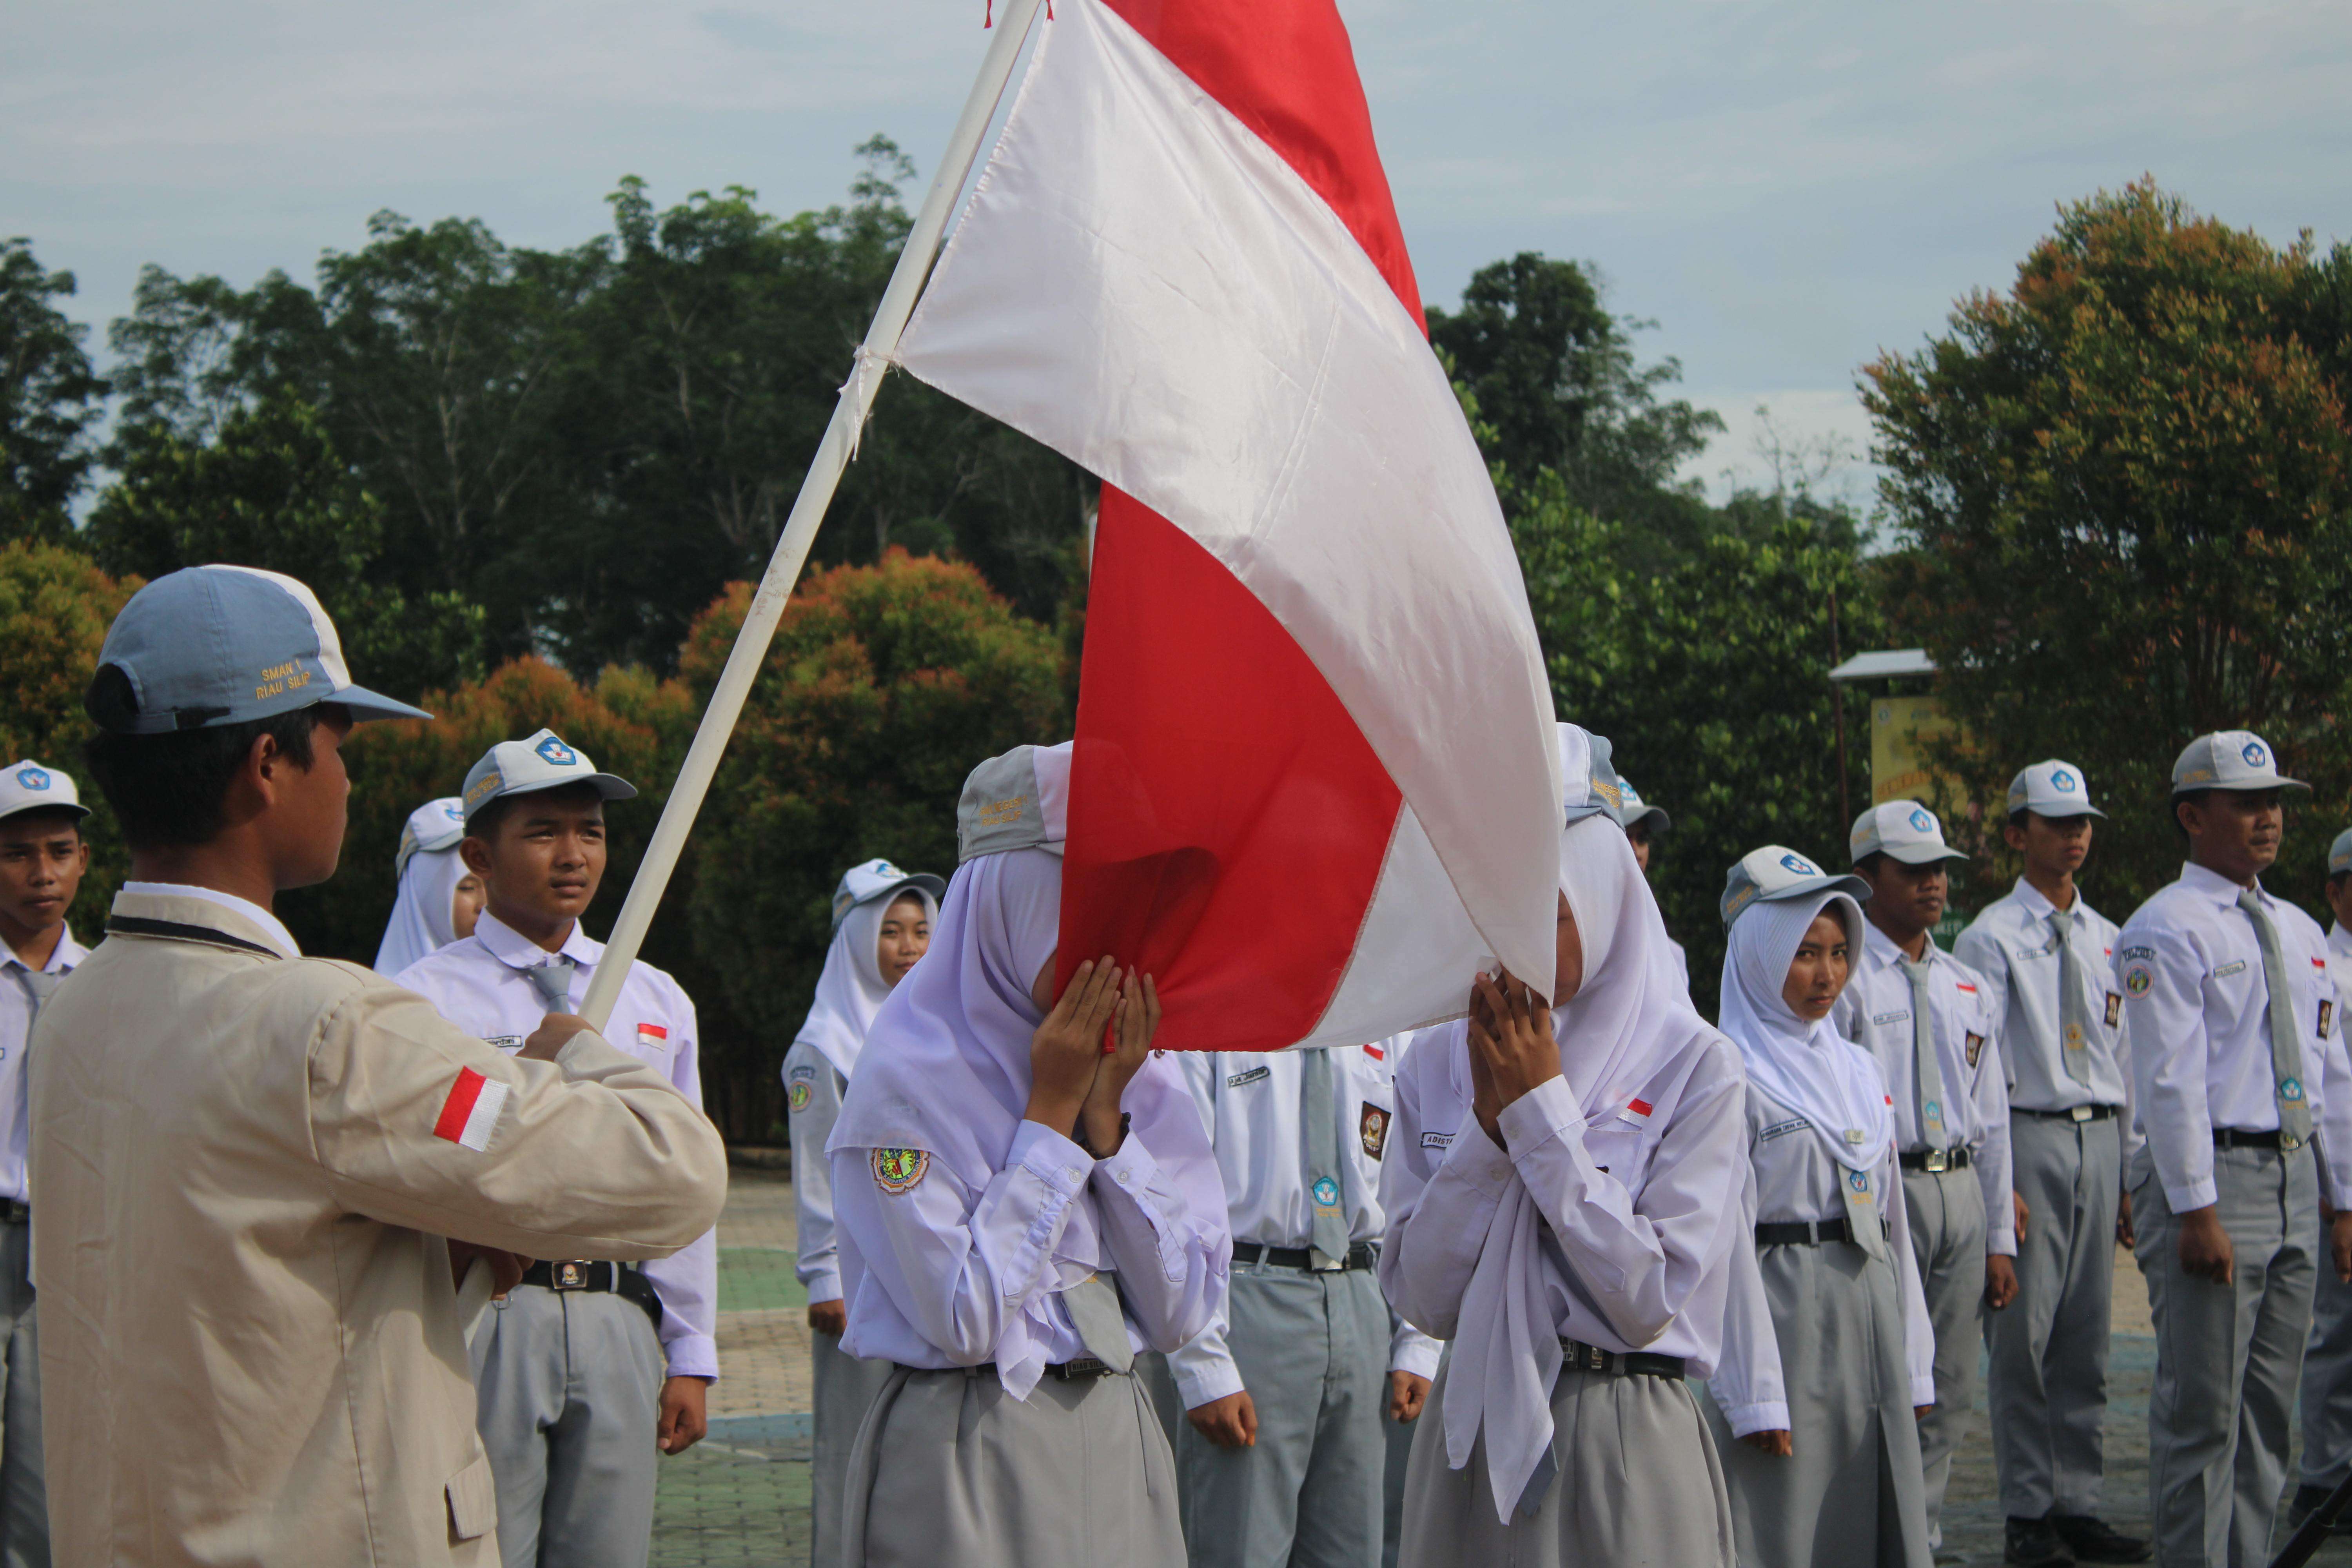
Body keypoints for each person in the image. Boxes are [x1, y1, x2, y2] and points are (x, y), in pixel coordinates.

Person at [29, 564, 726, 1566]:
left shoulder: (79, 1010)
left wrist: (438, 1261)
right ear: (267, 762)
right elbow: (677, 1174)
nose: (349, 781)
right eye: (338, 746)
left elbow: (242, 1295)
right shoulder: (326, 1026)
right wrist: (579, 1056)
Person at [826, 742, 1229, 1568]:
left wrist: (1107, 1124)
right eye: (1085, 906)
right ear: (1005, 900)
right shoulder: (906, 1083)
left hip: (1119, 1428)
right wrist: (1048, 1117)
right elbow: (967, 1319)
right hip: (972, 1444)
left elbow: (1183, 1312)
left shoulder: (1140, 1071)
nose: (1115, 942)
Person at [1380, 724, 1748, 1567]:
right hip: (1470, 1428)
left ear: (1606, 892)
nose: (1520, 945)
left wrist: (1541, 1116)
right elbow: (1424, 1295)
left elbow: (1649, 1294)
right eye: (1496, 911)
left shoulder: (1696, 1063)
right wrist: (1486, 1127)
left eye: (1547, 913)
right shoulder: (1440, 1054)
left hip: (1622, 1426)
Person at [396, 728, 720, 1568]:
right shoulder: (421, 998)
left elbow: (685, 1187)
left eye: (591, 831)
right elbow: (417, 1167)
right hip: (488, 1310)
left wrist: (691, 1351)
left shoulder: (653, 996)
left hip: (618, 1316)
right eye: (543, 832)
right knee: (480, 1543)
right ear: (479, 852)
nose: (573, 854)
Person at [2114, 731, 2352, 1566]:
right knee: (2202, 1414)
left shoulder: (2295, 928)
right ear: (2192, 815)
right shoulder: (2164, 927)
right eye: (2246, 803)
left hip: (2289, 1172)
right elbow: (2171, 1078)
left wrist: (2339, 1195)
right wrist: (2195, 1208)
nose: (2268, 819)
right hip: (2216, 1179)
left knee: (2266, 1415)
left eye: (2275, 801)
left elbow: (2324, 1073)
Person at [1702, 845, 1937, 1568]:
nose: (1828, 975)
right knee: (1788, 1518)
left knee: (1876, 1510)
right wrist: (1755, 1393)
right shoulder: (1725, 1072)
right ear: (1760, 958)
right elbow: (1726, 1246)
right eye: (1805, 954)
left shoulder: (1859, 1068)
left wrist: (1916, 1358)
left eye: (1839, 952)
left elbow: (1893, 1222)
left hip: (1866, 1303)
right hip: (1784, 1315)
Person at [1952, 762, 2150, 1565]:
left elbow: (2127, 1055)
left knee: (2086, 1335)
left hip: (2099, 1132)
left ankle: (2080, 1499)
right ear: (2015, 832)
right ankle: (2027, 1508)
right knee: (2024, 1336)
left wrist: (2134, 1165)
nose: (2074, 834)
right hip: (2028, 1129)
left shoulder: (2109, 937)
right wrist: (1999, 1185)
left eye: (2083, 820)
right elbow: (1983, 1063)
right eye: (2055, 819)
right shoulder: (1989, 938)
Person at [1167, 1031, 1439, 1568]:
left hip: (1364, 1294)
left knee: (1352, 1550)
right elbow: (1175, 1194)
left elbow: (1422, 1178)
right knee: (1239, 1548)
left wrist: (1419, 1337)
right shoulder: (1218, 1001)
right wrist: (1202, 1362)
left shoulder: (1382, 1007)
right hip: (1248, 1299)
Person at [1836, 799, 2014, 1552]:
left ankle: (1926, 1532)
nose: (1933, 885)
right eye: (1913, 872)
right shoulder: (1846, 982)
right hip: (1889, 1188)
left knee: (1949, 1381)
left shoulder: (1966, 985)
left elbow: (1994, 1112)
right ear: (1868, 878)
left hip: (1960, 1183)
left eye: (1940, 870)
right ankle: (1879, 1531)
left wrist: (2000, 1231)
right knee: (1891, 1376)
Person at [783, 857, 944, 1567]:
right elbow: (816, 1171)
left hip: (929, 1283)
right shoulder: (824, 1048)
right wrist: (826, 1279)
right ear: (853, 940)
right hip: (859, 1287)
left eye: (921, 930)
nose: (910, 947)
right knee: (851, 1456)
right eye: (890, 932)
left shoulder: (941, 1031)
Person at [0, 760, 90, 1568]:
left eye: (59, 850)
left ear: (84, 860)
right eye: (18, 852)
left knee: (46, 1478)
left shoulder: (108, 986)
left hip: (65, 1248)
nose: (42, 873)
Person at [2294, 824, 2352, 1534]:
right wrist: (2342, 1201)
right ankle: (2324, 1478)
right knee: (2338, 1334)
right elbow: (2332, 1099)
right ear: (2336, 892)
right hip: (2345, 1176)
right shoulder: (2326, 973)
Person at [374, 795, 485, 975]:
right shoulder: (389, 997)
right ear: (422, 893)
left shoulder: (524, 982)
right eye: (468, 888)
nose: (485, 905)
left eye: (492, 885)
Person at [1615, 774, 1690, 989]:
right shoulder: (1572, 943)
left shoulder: (1671, 956)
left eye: (1643, 839)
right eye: (1623, 835)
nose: (1637, 851)